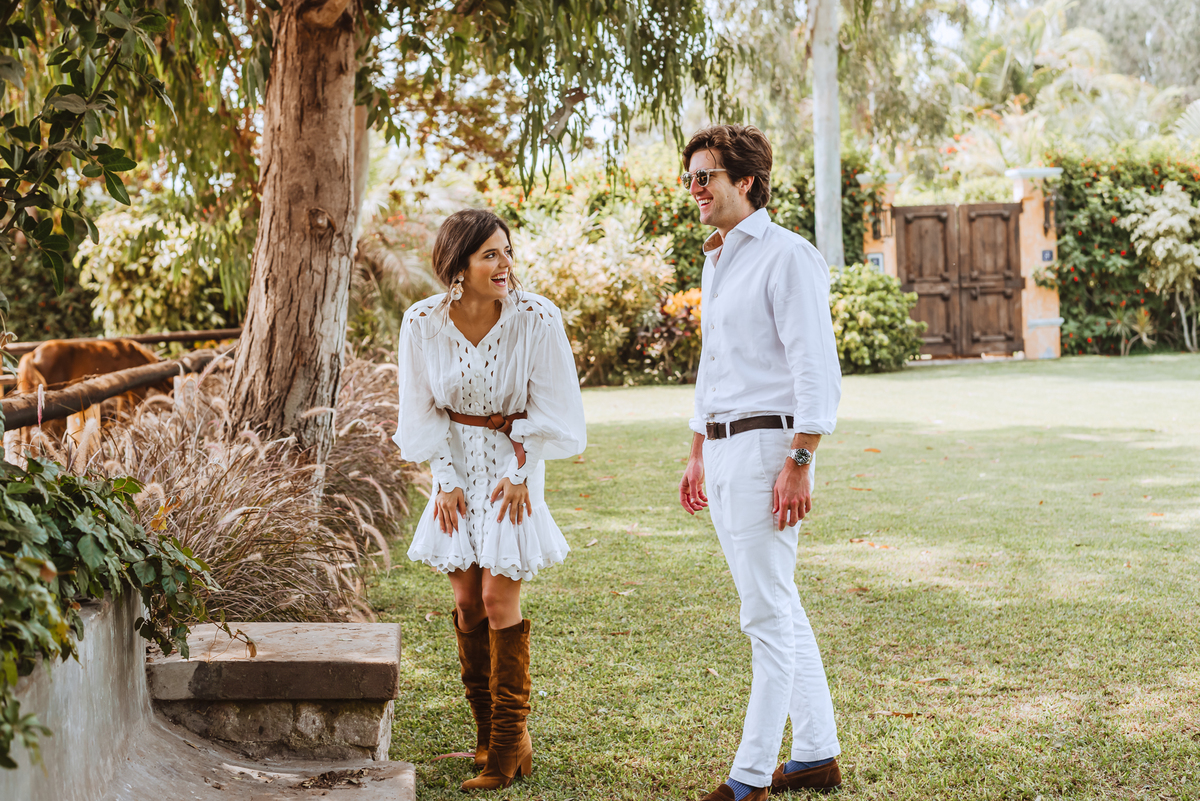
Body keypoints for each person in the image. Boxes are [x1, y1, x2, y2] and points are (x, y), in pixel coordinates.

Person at [393, 209, 586, 792]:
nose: (506, 265)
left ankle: (507, 750)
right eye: (490, 256)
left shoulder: (536, 317)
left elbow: (556, 408)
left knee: (499, 597)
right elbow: (421, 408)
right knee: (467, 601)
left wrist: (524, 467)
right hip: (454, 466)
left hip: (513, 467)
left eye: (507, 251)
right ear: (459, 266)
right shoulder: (422, 322)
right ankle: (488, 737)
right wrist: (444, 478)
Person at [677, 125, 843, 801]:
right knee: (779, 605)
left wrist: (799, 461)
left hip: (767, 451)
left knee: (765, 615)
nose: (694, 191)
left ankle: (748, 777)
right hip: (720, 451)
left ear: (745, 180)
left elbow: (816, 369)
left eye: (704, 176)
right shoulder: (718, 258)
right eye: (688, 178)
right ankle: (815, 754)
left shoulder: (787, 256)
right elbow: (713, 367)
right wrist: (695, 450)